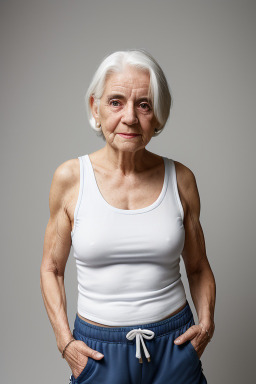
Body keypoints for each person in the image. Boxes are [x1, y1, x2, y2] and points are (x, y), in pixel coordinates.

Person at [40, 49, 216, 384]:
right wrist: (66, 343)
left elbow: (197, 266)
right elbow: (51, 268)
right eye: (116, 102)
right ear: (96, 108)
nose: (130, 118)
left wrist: (206, 325)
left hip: (174, 345)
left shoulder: (181, 179)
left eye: (144, 105)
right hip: (98, 353)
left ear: (159, 115)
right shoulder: (70, 178)